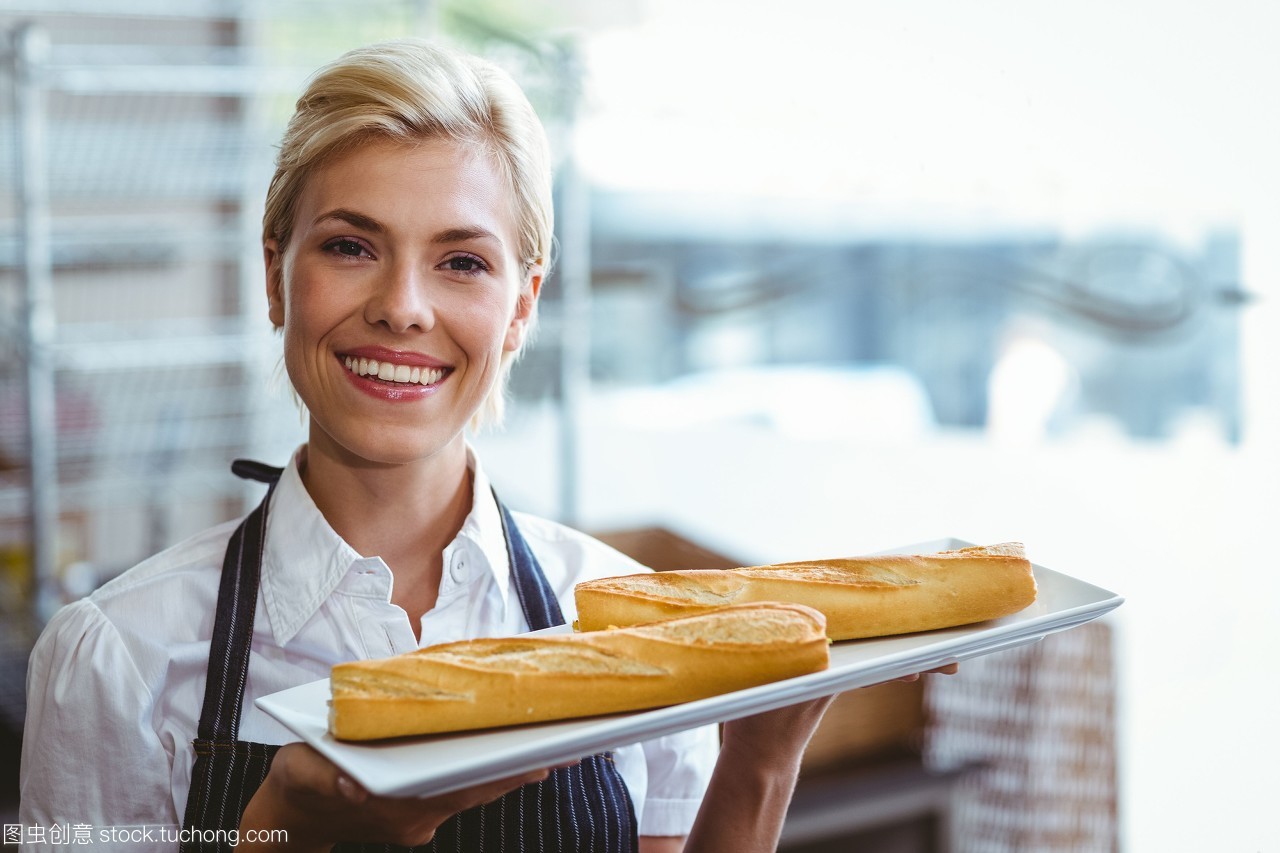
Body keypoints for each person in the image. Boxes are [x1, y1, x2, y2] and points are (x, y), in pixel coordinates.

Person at [19, 39, 849, 853]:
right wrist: (286, 837)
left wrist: (761, 762)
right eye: (351, 246)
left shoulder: (619, 617)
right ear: (276, 277)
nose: (403, 307)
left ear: (521, 309)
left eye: (460, 260)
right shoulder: (118, 656)